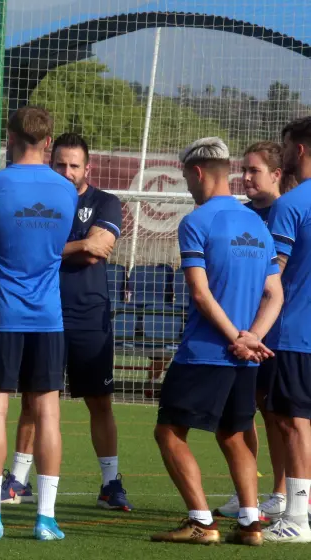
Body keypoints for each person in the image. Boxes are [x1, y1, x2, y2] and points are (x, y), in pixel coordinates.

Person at [0, 106, 76, 541]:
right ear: (47, 141)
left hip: (1, 315)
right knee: (48, 417)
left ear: (11, 137)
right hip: (48, 317)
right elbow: (54, 247)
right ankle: (46, 518)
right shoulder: (67, 190)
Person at [150, 137, 281, 546]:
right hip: (247, 357)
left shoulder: (197, 221)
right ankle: (249, 523)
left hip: (207, 352)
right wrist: (253, 338)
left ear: (198, 172)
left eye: (187, 177)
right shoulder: (257, 224)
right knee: (235, 434)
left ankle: (202, 522)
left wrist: (236, 339)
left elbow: (201, 294)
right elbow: (274, 293)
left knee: (169, 432)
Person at [2, 133, 132, 512]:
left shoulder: (105, 201)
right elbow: (84, 247)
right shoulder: (37, 199)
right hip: (42, 311)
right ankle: (19, 479)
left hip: (88, 314)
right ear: (49, 162)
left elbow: (98, 249)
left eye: (75, 165)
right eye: (60, 164)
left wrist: (40, 249)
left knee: (99, 401)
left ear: (87, 168)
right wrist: (75, 247)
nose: (67, 171)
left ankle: (111, 484)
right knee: (33, 398)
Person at [215, 141, 290, 520]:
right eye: (243, 170)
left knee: (277, 413)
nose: (244, 177)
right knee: (244, 413)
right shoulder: (241, 217)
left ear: (277, 174)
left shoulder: (288, 212)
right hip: (241, 334)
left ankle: (281, 492)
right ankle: (247, 491)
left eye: (254, 170)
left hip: (276, 333)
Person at [261, 117, 311, 542]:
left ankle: (296, 519)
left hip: (297, 332)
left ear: (299, 150)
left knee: (295, 423)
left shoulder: (291, 204)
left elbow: (272, 275)